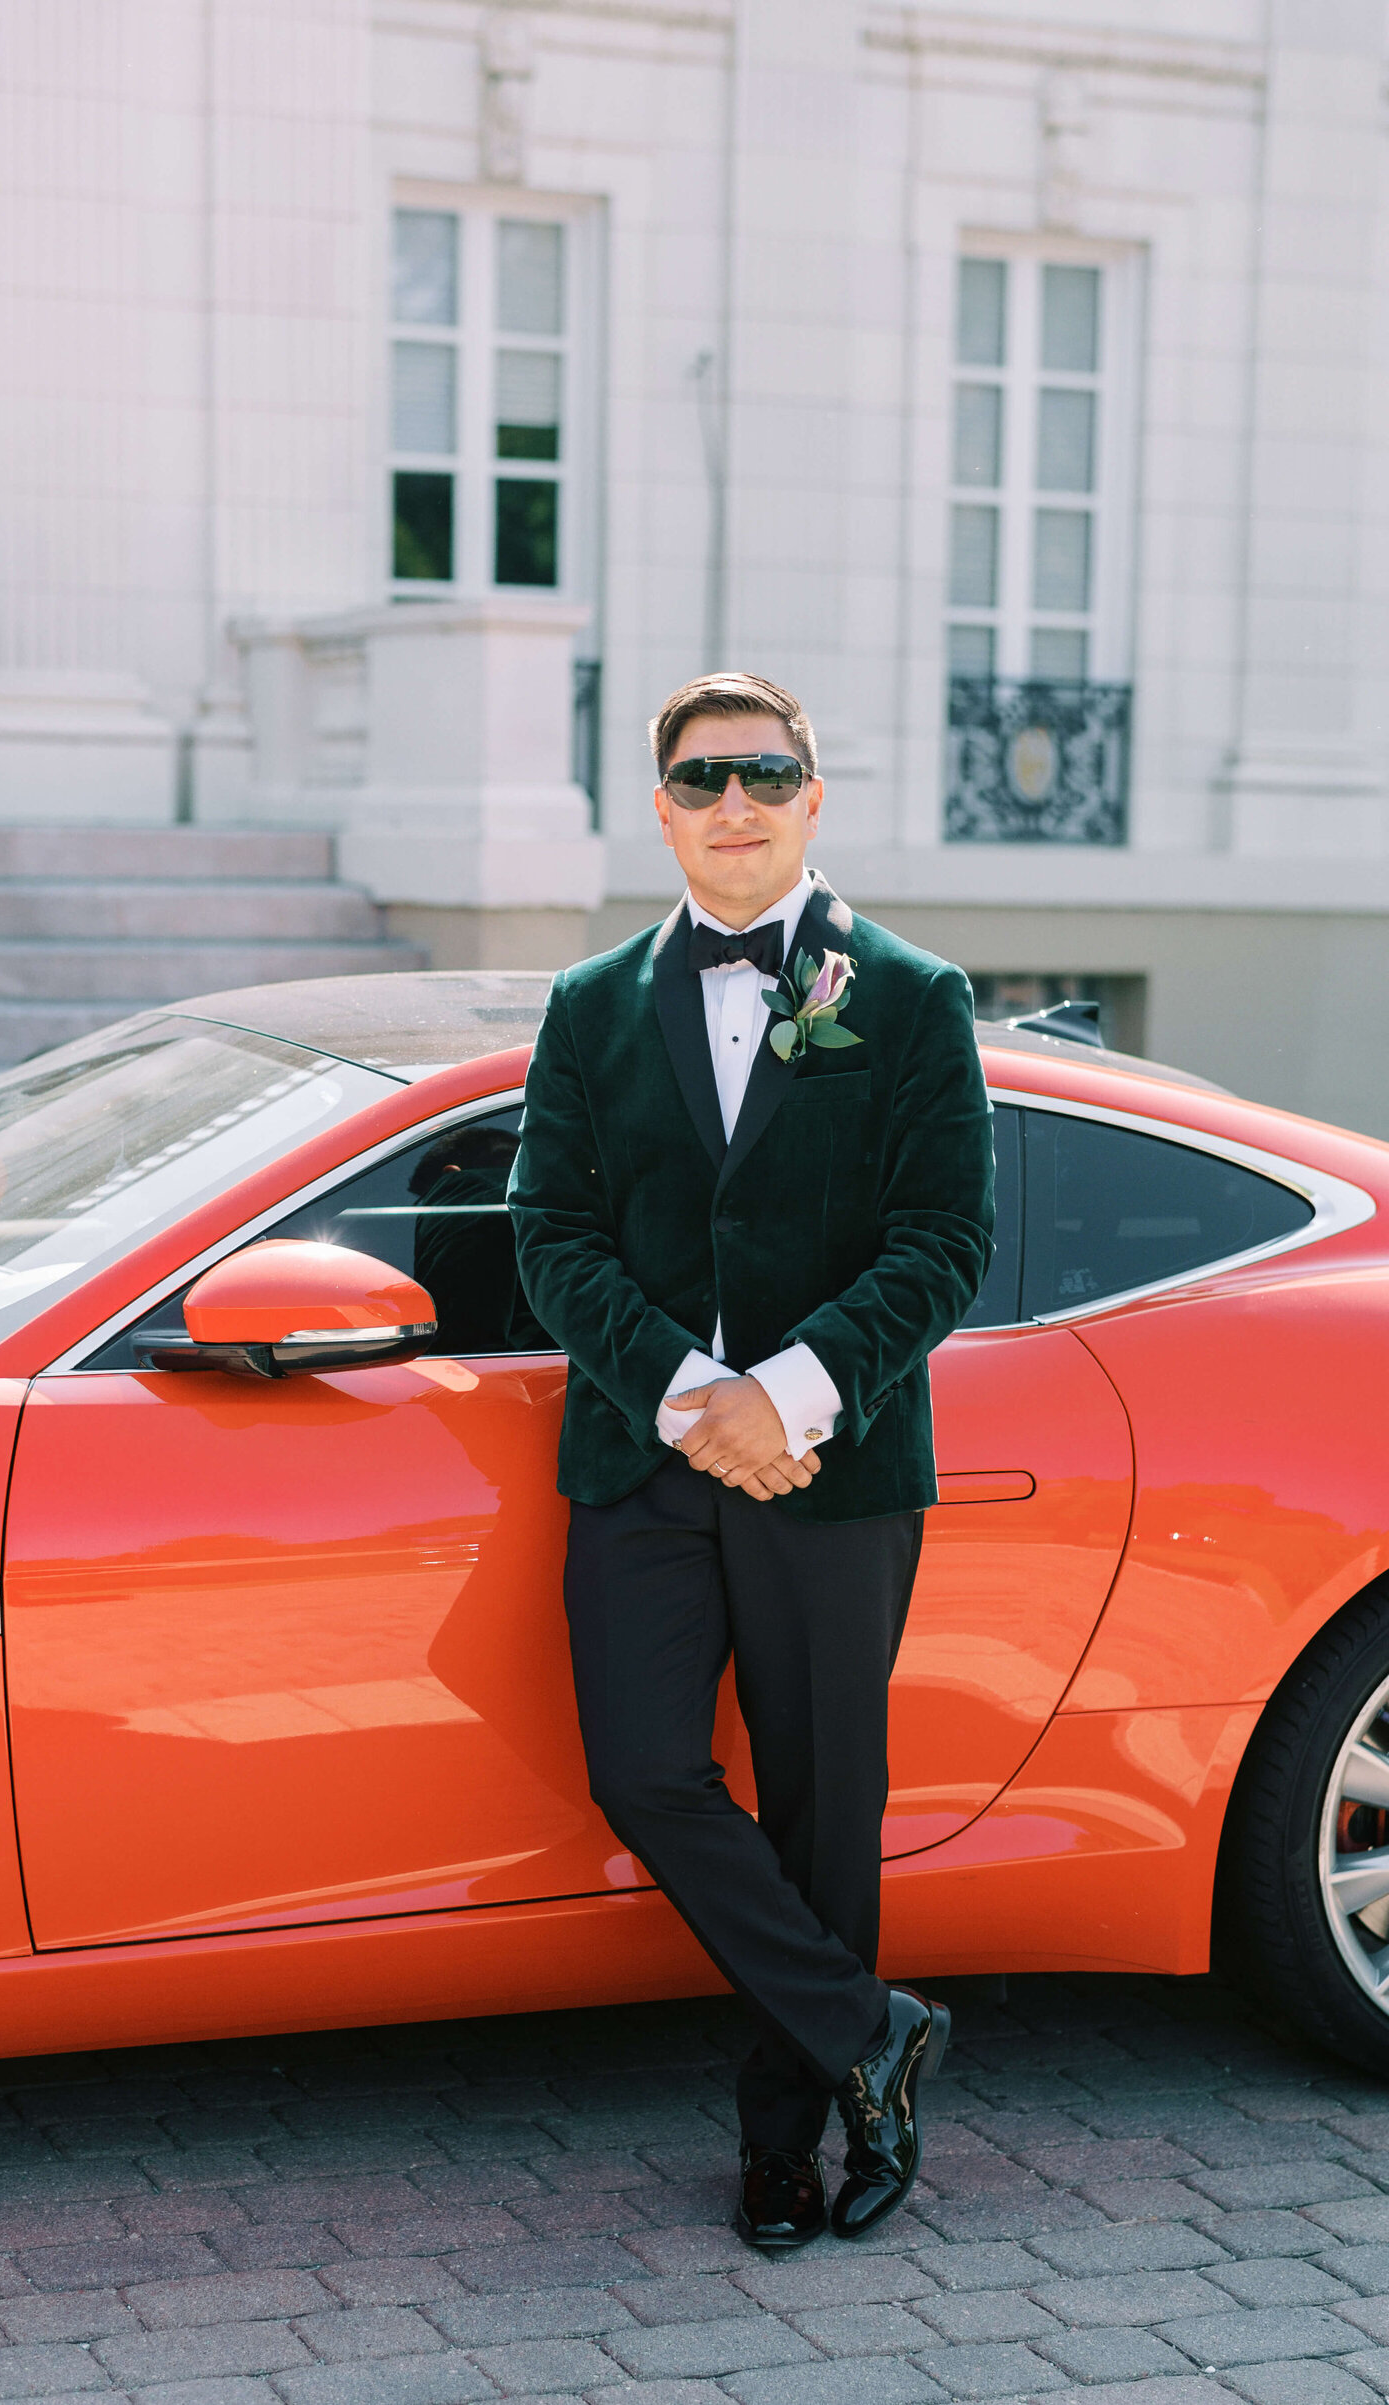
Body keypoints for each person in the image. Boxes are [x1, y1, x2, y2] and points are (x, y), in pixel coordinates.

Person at [508, 670, 995, 2251]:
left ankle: (786, 2147)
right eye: (706, 778)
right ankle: (875, 2032)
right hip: (643, 1458)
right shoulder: (588, 1004)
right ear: (662, 808)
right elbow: (550, 1234)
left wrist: (785, 1395)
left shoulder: (911, 994)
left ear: (812, 798)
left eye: (767, 773)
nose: (737, 802)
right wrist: (689, 1389)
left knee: (820, 1811)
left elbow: (946, 1244)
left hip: (834, 1470)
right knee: (644, 1767)